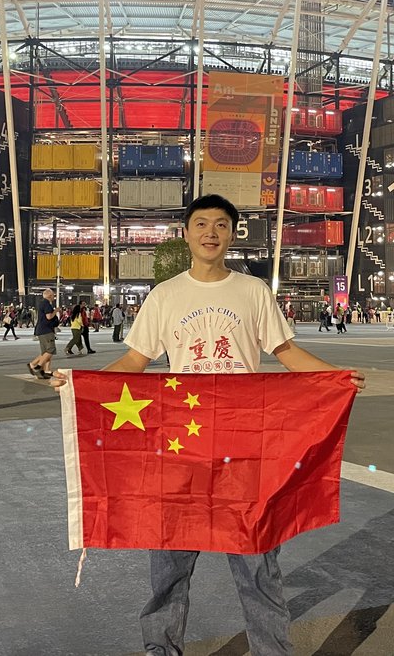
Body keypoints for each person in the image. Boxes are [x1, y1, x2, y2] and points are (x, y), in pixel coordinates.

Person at [49, 194, 364, 656]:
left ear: (232, 234)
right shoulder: (167, 295)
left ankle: (271, 650)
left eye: (220, 224)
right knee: (168, 565)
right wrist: (79, 382)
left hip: (243, 446)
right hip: (180, 448)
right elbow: (136, 360)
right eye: (201, 224)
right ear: (187, 233)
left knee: (257, 561)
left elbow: (286, 352)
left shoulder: (253, 292)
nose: (210, 232)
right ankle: (161, 648)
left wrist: (336, 378)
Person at [28, 288, 60, 379]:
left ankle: (46, 371)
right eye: (53, 295)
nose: (54, 297)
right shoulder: (47, 304)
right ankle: (36, 366)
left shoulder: (42, 303)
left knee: (45, 352)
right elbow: (49, 317)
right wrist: (56, 311)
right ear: (49, 296)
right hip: (46, 330)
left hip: (40, 330)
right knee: (51, 350)